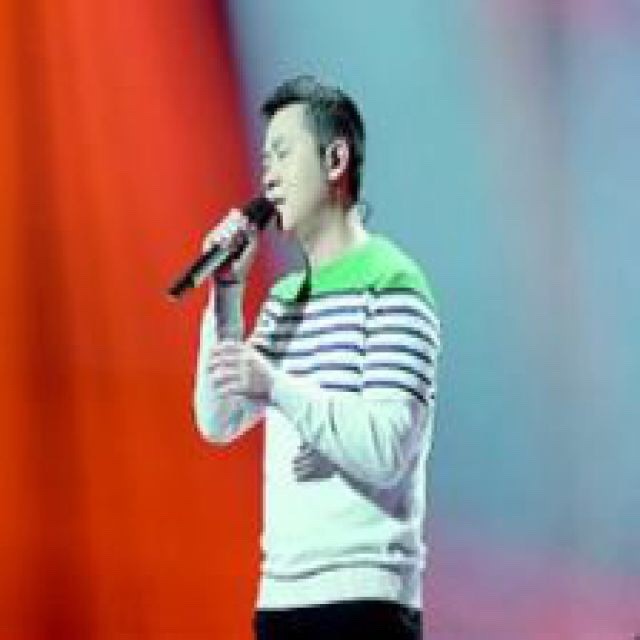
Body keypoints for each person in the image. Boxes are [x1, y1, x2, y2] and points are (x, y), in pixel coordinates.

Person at [193, 75, 440, 640]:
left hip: (364, 602)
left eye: (283, 154)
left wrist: (277, 387)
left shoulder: (393, 284)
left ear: (335, 160)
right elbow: (218, 420)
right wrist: (227, 294)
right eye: (264, 160)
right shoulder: (284, 300)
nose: (267, 177)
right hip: (281, 598)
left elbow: (386, 448)